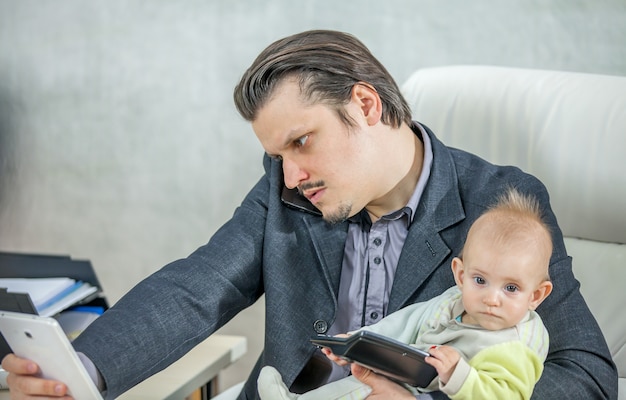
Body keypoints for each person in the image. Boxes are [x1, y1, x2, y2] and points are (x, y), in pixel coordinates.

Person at [1, 30, 617, 400]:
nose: (290, 174)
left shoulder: (500, 204)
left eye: (301, 142)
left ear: (366, 105)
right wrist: (81, 372)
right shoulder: (291, 189)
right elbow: (198, 288)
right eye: (276, 154)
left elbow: (586, 375)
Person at [257, 188, 554, 400]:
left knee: (365, 390)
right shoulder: (454, 300)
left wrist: (458, 375)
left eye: (511, 288)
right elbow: (407, 322)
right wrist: (359, 341)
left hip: (429, 393)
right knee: (360, 385)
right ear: (461, 275)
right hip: (409, 379)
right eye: (480, 280)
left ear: (536, 295)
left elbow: (505, 395)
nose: (492, 298)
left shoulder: (515, 345)